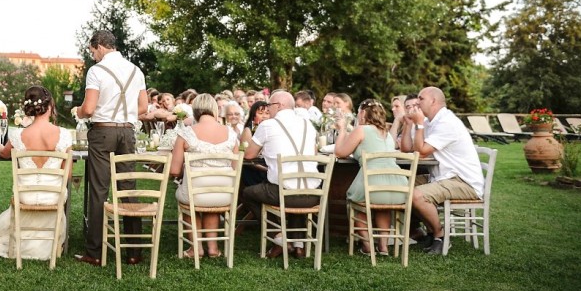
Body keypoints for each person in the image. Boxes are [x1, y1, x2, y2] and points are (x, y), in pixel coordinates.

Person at [73, 30, 148, 267]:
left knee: (99, 190)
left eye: (92, 51)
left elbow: (89, 108)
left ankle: (95, 252)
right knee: (128, 189)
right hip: (127, 132)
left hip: (103, 132)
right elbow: (143, 107)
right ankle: (134, 252)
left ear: (100, 47)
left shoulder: (96, 71)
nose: (92, 56)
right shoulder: (136, 70)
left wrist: (78, 111)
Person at [0, 86, 72, 259]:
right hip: (53, 197)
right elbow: (69, 175)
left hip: (25, 196)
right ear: (49, 107)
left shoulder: (18, 135)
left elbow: (4, 153)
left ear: (30, 108)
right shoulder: (64, 135)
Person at [405, 86, 485, 254]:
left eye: (421, 99)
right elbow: (411, 149)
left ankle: (440, 235)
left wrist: (419, 125)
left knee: (416, 195)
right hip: (443, 176)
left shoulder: (447, 122)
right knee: (401, 185)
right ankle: (425, 231)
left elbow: (420, 152)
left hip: (463, 181)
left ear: (433, 101)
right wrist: (412, 124)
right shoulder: (431, 122)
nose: (417, 103)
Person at [242, 90, 320, 259]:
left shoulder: (267, 125)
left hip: (286, 195)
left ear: (279, 106)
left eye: (269, 105)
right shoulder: (308, 124)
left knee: (248, 193)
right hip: (313, 195)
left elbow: (248, 155)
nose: (268, 110)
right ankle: (299, 245)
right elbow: (314, 152)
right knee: (296, 185)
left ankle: (279, 238)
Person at [334, 99, 407, 256]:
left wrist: (341, 130)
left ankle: (367, 245)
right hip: (397, 186)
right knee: (382, 206)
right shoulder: (387, 134)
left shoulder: (361, 130)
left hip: (372, 182)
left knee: (355, 202)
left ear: (361, 113)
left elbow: (340, 152)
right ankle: (383, 247)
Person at [171, 93, 239, 259]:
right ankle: (213, 248)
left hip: (196, 195)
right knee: (211, 198)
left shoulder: (186, 133)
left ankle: (196, 248)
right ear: (215, 111)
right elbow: (235, 168)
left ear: (195, 112)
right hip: (224, 196)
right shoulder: (231, 134)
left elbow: (174, 170)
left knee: (187, 197)